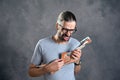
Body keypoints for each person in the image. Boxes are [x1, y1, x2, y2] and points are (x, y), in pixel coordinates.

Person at [28, 11, 82, 80]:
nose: (68, 34)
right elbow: (31, 72)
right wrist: (46, 69)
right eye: (65, 29)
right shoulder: (42, 44)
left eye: (72, 30)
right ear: (57, 26)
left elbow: (75, 72)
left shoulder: (76, 44)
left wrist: (77, 61)